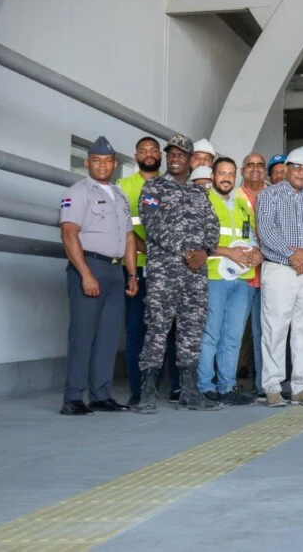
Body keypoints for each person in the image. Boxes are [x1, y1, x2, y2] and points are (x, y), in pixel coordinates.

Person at [136, 134, 222, 414]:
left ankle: (189, 391)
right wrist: (188, 250)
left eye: (180, 155)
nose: (174, 158)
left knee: (191, 332)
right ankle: (147, 392)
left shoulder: (200, 193)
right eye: (170, 154)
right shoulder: (153, 188)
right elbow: (152, 224)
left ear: (189, 160)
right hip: (165, 274)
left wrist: (205, 251)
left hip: (195, 276)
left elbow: (213, 226)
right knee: (157, 331)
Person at [58, 136, 138, 415]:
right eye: (96, 160)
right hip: (90, 267)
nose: (102, 165)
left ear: (114, 164)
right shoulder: (78, 192)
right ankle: (73, 398)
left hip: (116, 271)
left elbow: (129, 237)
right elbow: (69, 234)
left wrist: (131, 275)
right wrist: (85, 274)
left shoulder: (120, 196)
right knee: (83, 334)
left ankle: (101, 395)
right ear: (87, 162)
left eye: (107, 161)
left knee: (106, 337)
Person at [256, 147, 303, 407]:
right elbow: (266, 229)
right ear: (286, 169)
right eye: (297, 168)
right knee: (275, 328)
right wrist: (292, 257)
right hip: (279, 270)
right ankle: (272, 387)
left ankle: (301, 387)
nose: (301, 173)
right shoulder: (270, 195)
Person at [118, 136, 178, 407]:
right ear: (136, 155)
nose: (149, 154)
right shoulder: (123, 186)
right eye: (143, 150)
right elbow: (122, 228)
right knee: (135, 329)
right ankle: (137, 389)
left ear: (161, 156)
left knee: (164, 330)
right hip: (135, 267)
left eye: (154, 150)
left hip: (166, 271)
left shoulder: (172, 186)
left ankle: (159, 386)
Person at [196, 157, 262, 406]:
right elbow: (197, 241)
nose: (226, 178)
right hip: (214, 276)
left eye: (230, 174)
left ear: (236, 176)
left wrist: (257, 254)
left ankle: (226, 386)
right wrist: (229, 252)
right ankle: (204, 386)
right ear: (213, 176)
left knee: (233, 336)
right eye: (221, 173)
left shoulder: (243, 205)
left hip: (242, 278)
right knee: (210, 334)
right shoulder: (204, 202)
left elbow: (252, 237)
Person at [239, 152, 269, 398]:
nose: (255, 169)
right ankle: (223, 383)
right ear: (242, 170)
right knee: (232, 332)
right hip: (238, 275)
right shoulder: (233, 196)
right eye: (250, 165)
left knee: (263, 333)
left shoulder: (274, 196)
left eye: (260, 165)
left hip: (268, 276)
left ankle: (262, 385)